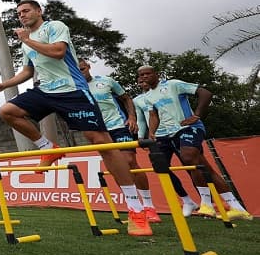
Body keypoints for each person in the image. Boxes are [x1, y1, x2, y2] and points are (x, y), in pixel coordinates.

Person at [0, 0, 152, 236]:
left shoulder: (54, 26)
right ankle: (48, 147)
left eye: (26, 11)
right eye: (18, 13)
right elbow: (28, 71)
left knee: (101, 142)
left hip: (72, 90)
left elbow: (58, 52)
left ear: (38, 11)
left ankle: (136, 209)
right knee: (7, 111)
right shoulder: (27, 43)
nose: (21, 15)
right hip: (45, 90)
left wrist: (26, 39)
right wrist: (4, 84)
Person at [137, 66, 252, 221]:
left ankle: (206, 203)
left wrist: (197, 115)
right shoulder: (148, 96)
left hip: (188, 128)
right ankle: (236, 208)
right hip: (165, 135)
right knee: (196, 167)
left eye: (147, 74)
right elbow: (153, 115)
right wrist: (151, 132)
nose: (144, 77)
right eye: (141, 75)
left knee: (189, 157)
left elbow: (205, 93)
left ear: (156, 74)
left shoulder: (173, 84)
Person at [78, 59, 161, 223]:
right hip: (98, 132)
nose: (82, 72)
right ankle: (134, 206)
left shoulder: (106, 81)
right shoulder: (73, 88)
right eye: (78, 70)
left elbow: (126, 98)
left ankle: (149, 206)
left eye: (83, 68)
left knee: (129, 161)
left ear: (88, 67)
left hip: (118, 125)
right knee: (116, 168)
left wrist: (132, 117)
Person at [132, 76, 199, 217]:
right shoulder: (137, 100)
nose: (143, 83)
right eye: (140, 82)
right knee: (161, 168)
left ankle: (208, 203)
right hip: (158, 136)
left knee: (190, 166)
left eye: (145, 80)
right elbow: (141, 119)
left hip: (176, 130)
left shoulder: (165, 90)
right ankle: (187, 200)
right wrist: (140, 137)